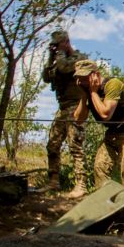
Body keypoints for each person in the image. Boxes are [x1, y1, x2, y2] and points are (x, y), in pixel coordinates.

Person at [73, 60, 124, 188]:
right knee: (100, 167)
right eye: (79, 78)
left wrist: (93, 92)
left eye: (85, 77)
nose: (82, 81)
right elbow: (78, 119)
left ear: (96, 74)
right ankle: (106, 203)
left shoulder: (113, 84)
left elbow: (106, 114)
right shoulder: (89, 92)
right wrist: (85, 95)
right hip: (113, 133)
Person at [42, 30, 88, 197]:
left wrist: (60, 54)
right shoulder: (57, 60)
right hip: (63, 108)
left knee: (75, 145)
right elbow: (46, 77)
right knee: (52, 144)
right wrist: (50, 57)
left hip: (76, 106)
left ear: (67, 42)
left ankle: (81, 185)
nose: (56, 48)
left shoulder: (79, 58)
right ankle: (53, 182)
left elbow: (64, 68)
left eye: (58, 44)